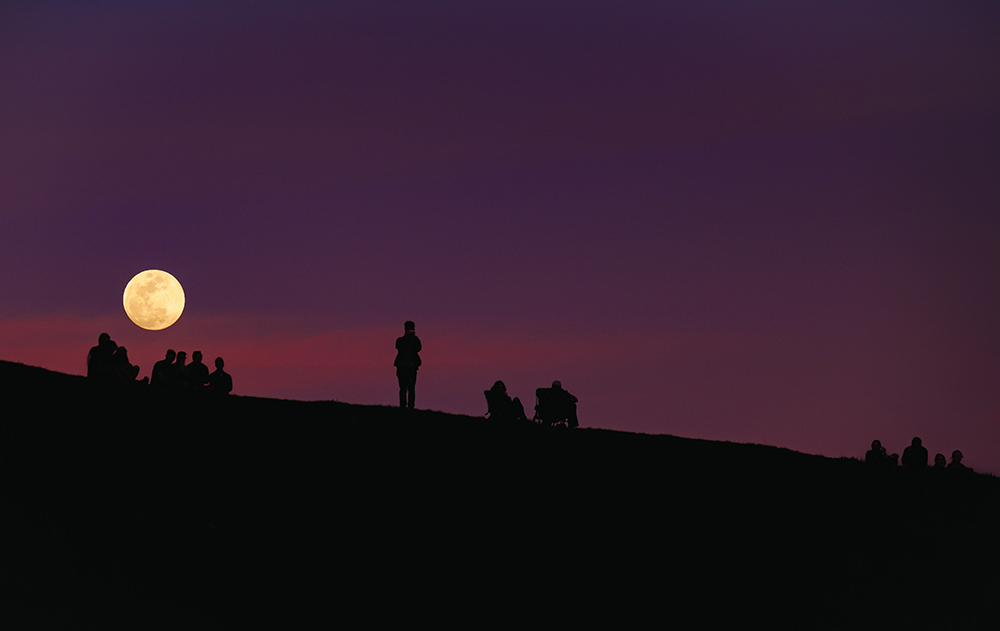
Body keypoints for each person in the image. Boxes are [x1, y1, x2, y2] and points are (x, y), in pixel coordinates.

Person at [394, 321, 421, 409]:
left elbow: (418, 348)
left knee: (409, 389)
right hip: (406, 367)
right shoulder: (401, 340)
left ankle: (408, 406)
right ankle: (405, 406)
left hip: (408, 367)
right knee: (405, 389)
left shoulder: (408, 340)